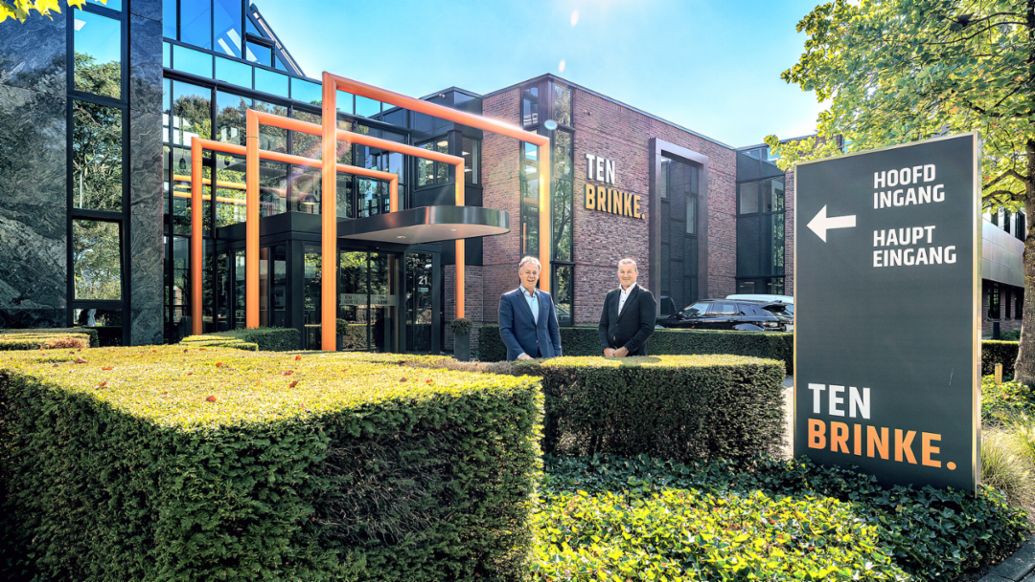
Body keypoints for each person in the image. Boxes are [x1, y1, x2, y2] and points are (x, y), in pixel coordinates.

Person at [498, 256, 562, 361]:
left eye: (534, 272)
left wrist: (558, 355)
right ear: (520, 274)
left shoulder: (546, 297)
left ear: (538, 275)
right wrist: (520, 354)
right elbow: (505, 330)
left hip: (547, 357)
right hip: (520, 360)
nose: (531, 276)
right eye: (527, 272)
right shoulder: (508, 299)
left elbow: (554, 328)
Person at [598, 258, 657, 357]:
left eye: (629, 272)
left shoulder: (645, 295)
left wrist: (626, 349)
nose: (625, 275)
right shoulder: (610, 295)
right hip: (610, 355)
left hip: (635, 356)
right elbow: (603, 325)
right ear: (618, 273)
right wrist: (606, 347)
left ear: (636, 273)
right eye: (622, 272)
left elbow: (647, 328)